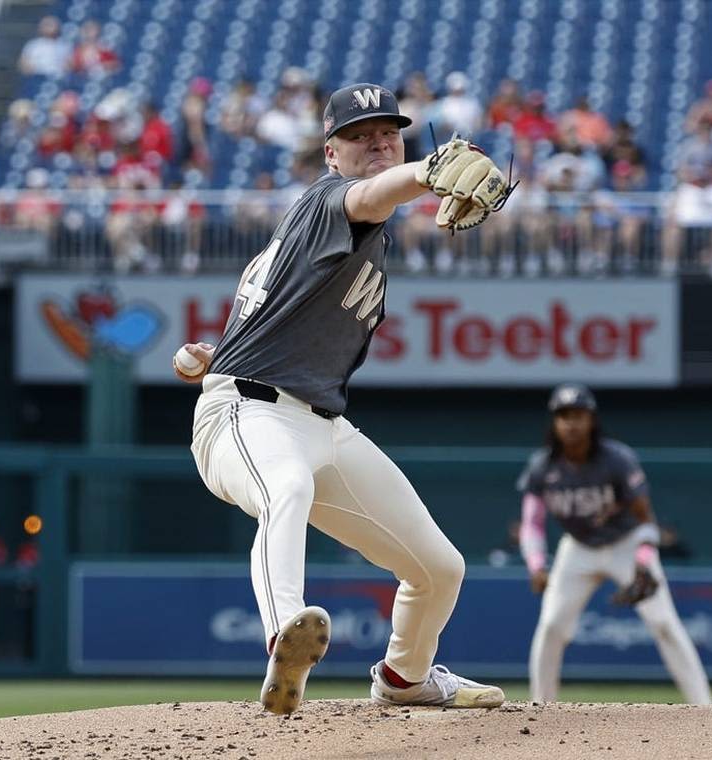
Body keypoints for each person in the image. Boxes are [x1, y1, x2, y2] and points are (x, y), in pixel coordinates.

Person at [172, 83, 512, 715]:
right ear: (332, 153)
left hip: (320, 421)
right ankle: (283, 637)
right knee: (287, 488)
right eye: (360, 136)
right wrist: (425, 172)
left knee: (439, 567)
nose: (378, 141)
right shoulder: (330, 199)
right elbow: (371, 194)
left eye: (390, 132)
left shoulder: (352, 236)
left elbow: (275, 316)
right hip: (248, 415)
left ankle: (405, 679)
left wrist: (210, 351)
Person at [518, 384, 712, 705]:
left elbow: (646, 519)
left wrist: (644, 560)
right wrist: (536, 564)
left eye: (578, 415)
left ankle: (705, 709)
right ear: (554, 422)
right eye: (563, 415)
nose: (571, 423)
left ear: (592, 419)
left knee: (664, 623)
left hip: (628, 545)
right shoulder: (543, 466)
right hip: (577, 548)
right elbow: (532, 523)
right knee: (552, 626)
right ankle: (540, 708)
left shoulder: (617, 459)